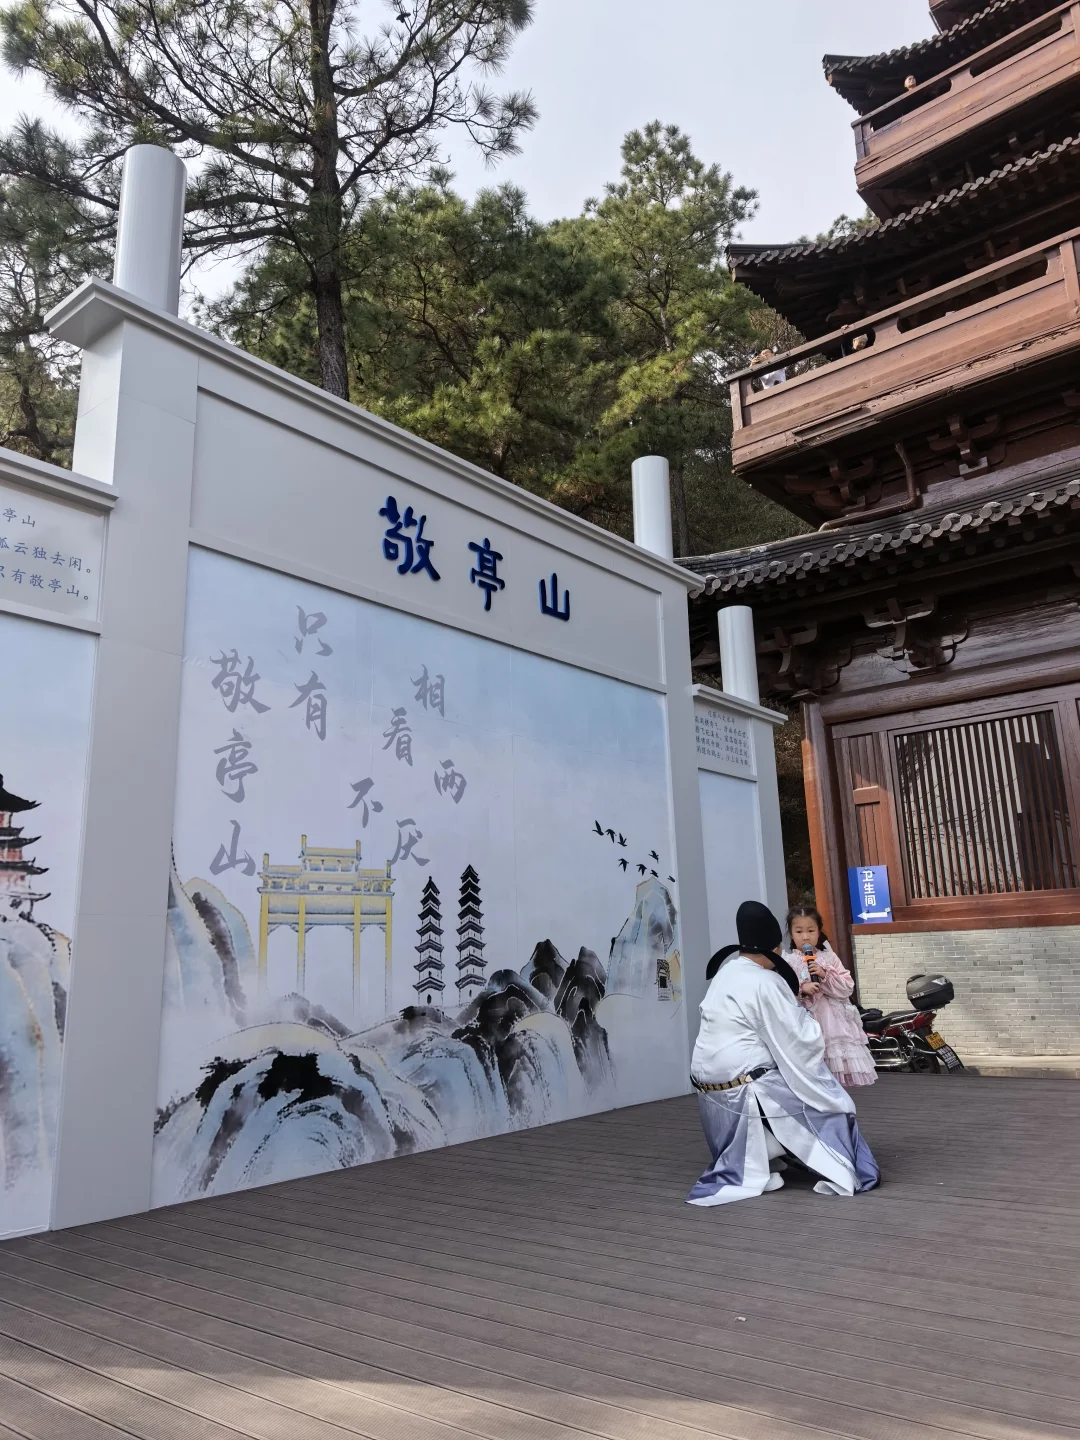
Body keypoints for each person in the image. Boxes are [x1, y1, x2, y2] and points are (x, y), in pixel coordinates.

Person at [687, 900, 879, 1207]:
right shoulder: (766, 981)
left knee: (776, 1072)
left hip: (707, 1081)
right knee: (829, 1103)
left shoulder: (727, 972)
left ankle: (762, 1158)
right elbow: (799, 1040)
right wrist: (807, 1017)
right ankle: (833, 1164)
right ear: (776, 949)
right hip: (745, 1081)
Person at [783, 905, 877, 1089]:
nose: (805, 936)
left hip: (833, 1024)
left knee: (836, 1077)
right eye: (799, 931)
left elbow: (847, 988)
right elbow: (782, 994)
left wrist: (825, 974)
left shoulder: (829, 958)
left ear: (819, 931)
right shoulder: (788, 962)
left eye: (811, 931)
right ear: (791, 934)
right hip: (805, 1024)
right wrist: (802, 989)